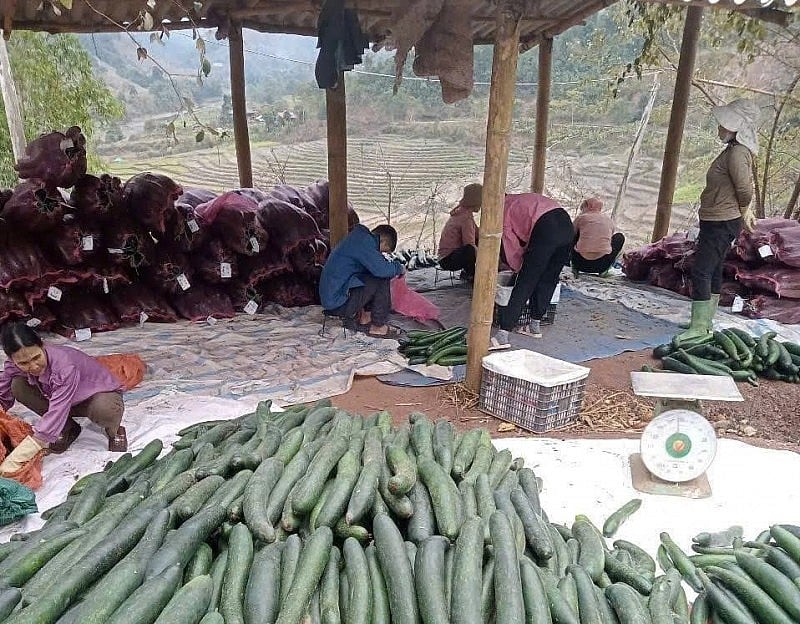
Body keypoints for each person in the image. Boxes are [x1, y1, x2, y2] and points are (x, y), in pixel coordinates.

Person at [676, 99, 759, 344]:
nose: (719, 128)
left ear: (736, 128)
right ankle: (704, 322)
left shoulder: (737, 153)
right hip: (717, 218)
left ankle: (699, 328)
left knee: (702, 270)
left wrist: (744, 209)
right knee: (711, 269)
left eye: (724, 125)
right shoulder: (732, 151)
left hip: (723, 220)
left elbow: (744, 189)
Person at [0, 322, 127, 474]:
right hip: (59, 398)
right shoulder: (12, 365)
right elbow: (2, 395)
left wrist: (21, 455)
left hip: (95, 396)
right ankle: (69, 429)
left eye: (36, 357)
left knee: (105, 409)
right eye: (23, 363)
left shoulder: (64, 365)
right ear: (11, 359)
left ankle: (115, 430)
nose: (33, 366)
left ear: (42, 345)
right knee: (18, 386)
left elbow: (58, 408)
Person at [494, 193, 574, 343]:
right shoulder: (521, 198)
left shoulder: (503, 210)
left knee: (527, 280)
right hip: (567, 227)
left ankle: (503, 334)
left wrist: (517, 267)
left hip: (546, 228)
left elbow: (509, 244)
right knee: (549, 278)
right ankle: (534, 325)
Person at [320, 223, 405, 339]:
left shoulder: (359, 239)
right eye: (384, 251)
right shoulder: (364, 244)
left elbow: (375, 268)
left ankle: (365, 318)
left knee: (371, 274)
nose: (381, 254)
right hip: (337, 303)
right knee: (382, 278)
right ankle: (378, 326)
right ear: (383, 242)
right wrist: (399, 268)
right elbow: (382, 270)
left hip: (334, 298)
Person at [437, 182, 482, 280]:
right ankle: (473, 275)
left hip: (446, 257)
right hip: (448, 260)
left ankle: (468, 272)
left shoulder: (462, 212)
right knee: (470, 249)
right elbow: (469, 243)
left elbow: (478, 234)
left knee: (480, 242)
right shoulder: (466, 218)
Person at [571, 197, 625, 277]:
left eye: (582, 209)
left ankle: (573, 267)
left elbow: (570, 234)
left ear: (587, 207)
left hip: (579, 263)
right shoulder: (609, 220)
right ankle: (605, 271)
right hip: (601, 265)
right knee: (619, 237)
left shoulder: (581, 218)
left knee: (573, 233)